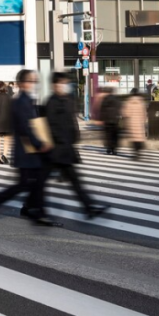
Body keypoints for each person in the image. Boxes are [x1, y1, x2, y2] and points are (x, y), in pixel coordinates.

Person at [0, 69, 60, 227]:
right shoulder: (20, 101)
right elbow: (26, 128)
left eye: (35, 81)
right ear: (23, 83)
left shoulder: (25, 100)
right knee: (27, 183)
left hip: (25, 149)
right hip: (26, 151)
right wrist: (40, 144)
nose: (34, 84)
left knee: (31, 182)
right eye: (31, 81)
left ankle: (34, 210)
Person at [45, 73, 108, 219]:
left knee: (74, 181)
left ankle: (89, 207)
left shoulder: (66, 100)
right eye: (61, 82)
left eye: (65, 82)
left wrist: (74, 137)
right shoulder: (52, 102)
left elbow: (71, 121)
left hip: (64, 149)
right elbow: (51, 125)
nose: (64, 85)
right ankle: (88, 207)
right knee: (42, 180)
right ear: (54, 84)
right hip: (57, 149)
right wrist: (62, 140)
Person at [123, 87, 148, 160]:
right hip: (139, 123)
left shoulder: (129, 102)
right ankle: (138, 152)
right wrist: (144, 120)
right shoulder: (141, 102)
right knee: (139, 138)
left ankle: (135, 153)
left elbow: (126, 113)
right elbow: (144, 113)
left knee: (133, 139)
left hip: (131, 122)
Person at [99, 89, 122, 155]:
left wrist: (101, 119)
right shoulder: (117, 100)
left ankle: (109, 148)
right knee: (115, 135)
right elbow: (120, 108)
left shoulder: (105, 99)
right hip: (115, 119)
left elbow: (102, 110)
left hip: (107, 119)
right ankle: (114, 149)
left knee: (108, 134)